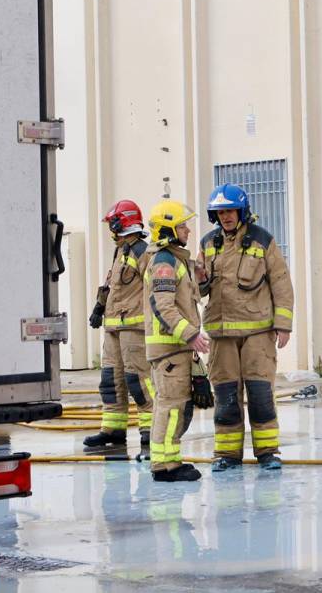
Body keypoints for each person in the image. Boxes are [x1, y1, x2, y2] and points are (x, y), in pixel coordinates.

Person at [198, 183, 294, 472]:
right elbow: (198, 290)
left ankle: (268, 453)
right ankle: (226, 455)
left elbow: (281, 283)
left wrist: (283, 325)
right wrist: (198, 278)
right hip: (221, 335)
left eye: (230, 211)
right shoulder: (207, 244)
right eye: (220, 212)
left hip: (258, 333)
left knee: (260, 394)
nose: (226, 217)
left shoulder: (262, 240)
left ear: (242, 211)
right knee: (226, 397)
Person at [144, 200, 210, 482]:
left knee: (169, 406)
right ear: (168, 230)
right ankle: (167, 466)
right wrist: (190, 334)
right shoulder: (164, 262)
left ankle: (165, 462)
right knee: (172, 407)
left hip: (174, 349)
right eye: (182, 226)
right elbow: (163, 306)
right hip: (170, 349)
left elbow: (185, 299)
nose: (188, 231)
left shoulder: (176, 259)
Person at [84, 200, 154, 457]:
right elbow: (111, 283)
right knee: (110, 381)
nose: (110, 231)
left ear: (120, 223)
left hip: (134, 327)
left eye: (111, 225)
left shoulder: (143, 252)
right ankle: (113, 429)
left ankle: (150, 428)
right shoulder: (121, 251)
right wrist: (99, 307)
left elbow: (153, 288)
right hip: (114, 327)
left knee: (138, 380)